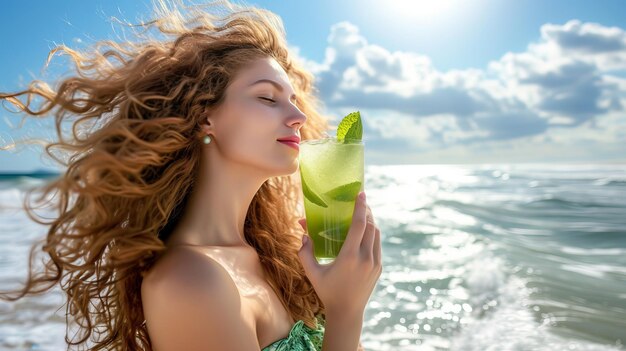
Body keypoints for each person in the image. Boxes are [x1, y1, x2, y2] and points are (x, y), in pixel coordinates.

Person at [0, 0, 382, 350]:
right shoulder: (188, 281)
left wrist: (343, 299)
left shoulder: (274, 256)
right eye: (268, 97)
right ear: (205, 116)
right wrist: (346, 311)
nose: (298, 117)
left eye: (294, 101)